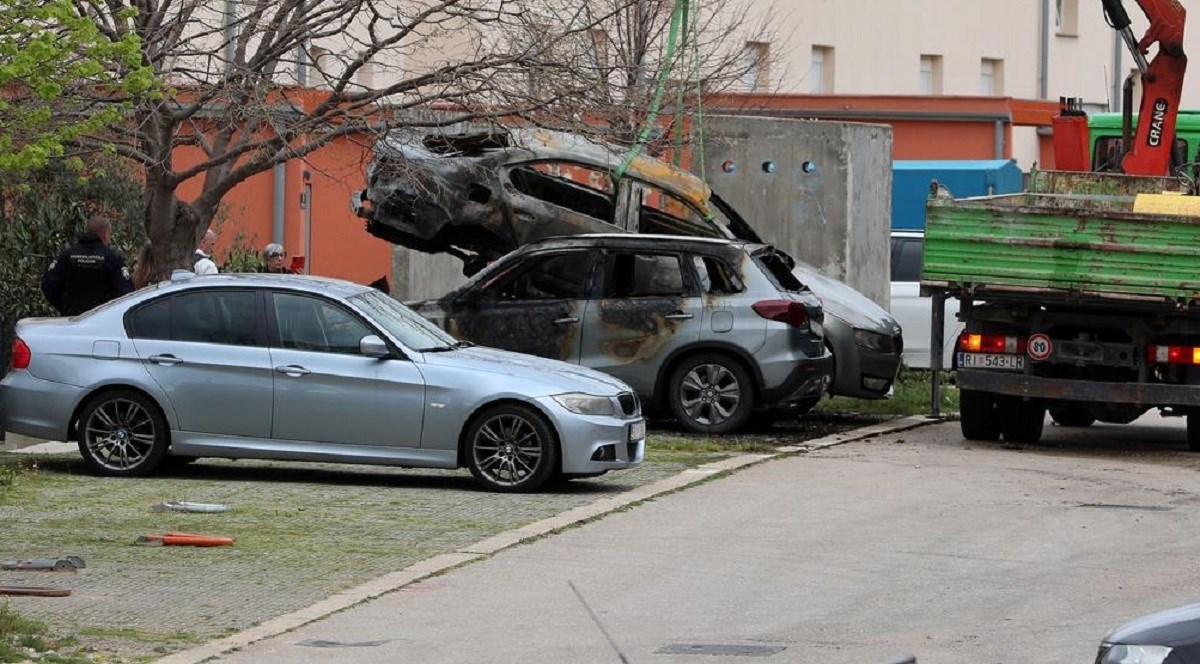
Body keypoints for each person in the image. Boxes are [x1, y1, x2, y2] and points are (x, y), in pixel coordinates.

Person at [41, 215, 134, 316]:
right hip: (102, 321)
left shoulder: (66, 256)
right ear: (105, 234)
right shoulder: (112, 259)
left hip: (71, 321)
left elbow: (48, 284)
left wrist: (65, 307)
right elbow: (126, 293)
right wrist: (107, 310)